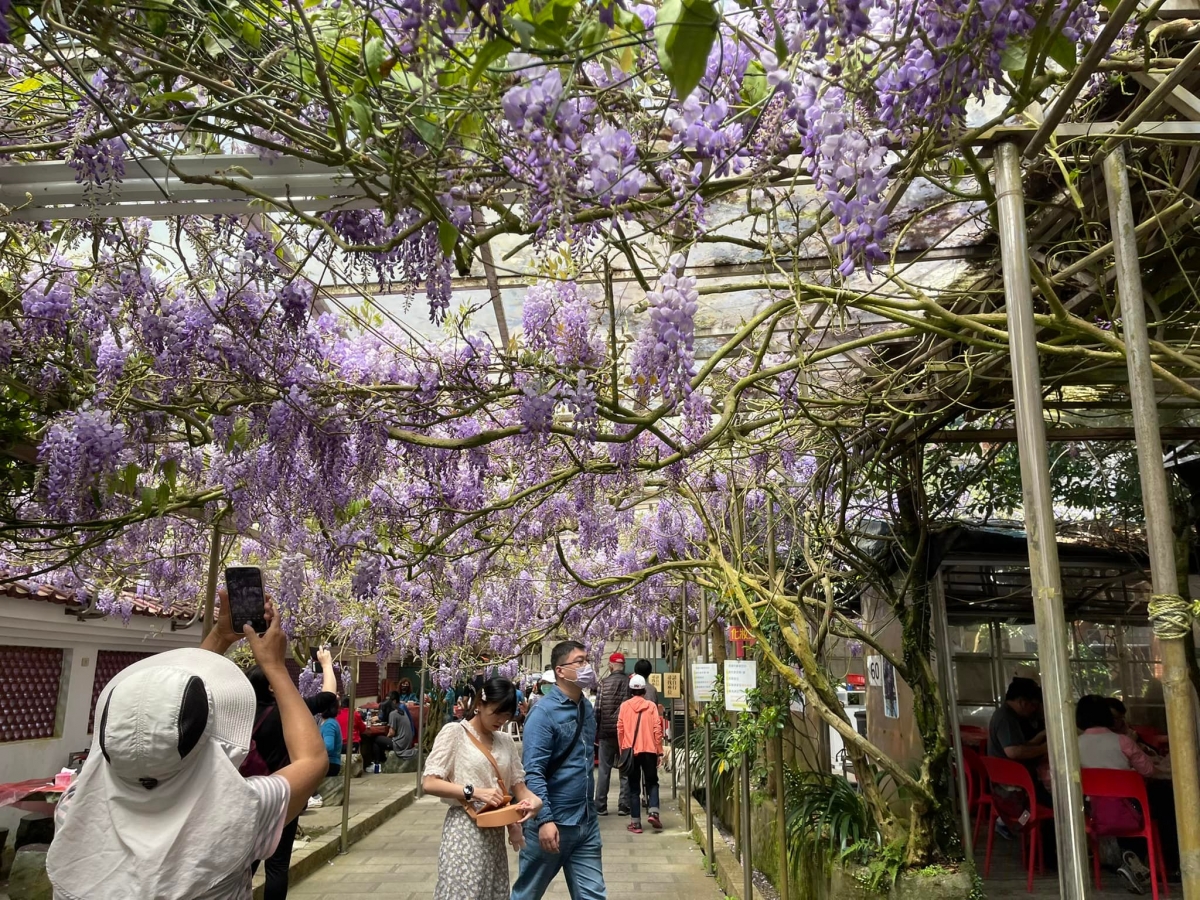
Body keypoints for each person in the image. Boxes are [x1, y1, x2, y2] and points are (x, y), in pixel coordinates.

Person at [46, 591, 327, 900]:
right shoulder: (238, 811)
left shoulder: (73, 809)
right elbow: (312, 760)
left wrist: (219, 636)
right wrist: (274, 666)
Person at [422, 677, 543, 899]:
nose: (502, 720)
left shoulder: (505, 741)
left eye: (507, 715)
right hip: (464, 829)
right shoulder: (455, 732)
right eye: (497, 713)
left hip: (494, 830)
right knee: (462, 892)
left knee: (493, 892)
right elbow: (429, 782)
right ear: (479, 704)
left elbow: (518, 788)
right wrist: (474, 792)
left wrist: (535, 802)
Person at [511, 640, 607, 900]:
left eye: (587, 660)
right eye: (580, 661)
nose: (587, 667)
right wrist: (544, 820)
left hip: (585, 822)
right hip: (553, 822)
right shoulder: (543, 712)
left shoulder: (586, 708)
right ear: (560, 671)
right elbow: (533, 771)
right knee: (527, 895)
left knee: (593, 895)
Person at [246, 645, 336, 899]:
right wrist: (326, 664)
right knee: (277, 865)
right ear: (272, 686)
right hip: (282, 794)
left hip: (247, 793)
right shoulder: (288, 713)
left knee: (245, 861)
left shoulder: (240, 715)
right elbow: (328, 696)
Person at [1076, 694, 1177, 891]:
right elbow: (1148, 770)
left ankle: (1132, 861)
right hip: (1128, 810)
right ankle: (1167, 864)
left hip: (1093, 812)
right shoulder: (1123, 741)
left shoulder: (1075, 745)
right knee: (1164, 799)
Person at [617, 674, 663, 834]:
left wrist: (623, 750)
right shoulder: (651, 706)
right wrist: (659, 751)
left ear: (630, 690)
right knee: (652, 782)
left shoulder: (624, 706)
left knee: (633, 787)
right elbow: (657, 729)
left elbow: (620, 729)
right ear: (644, 690)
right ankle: (654, 812)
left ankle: (636, 823)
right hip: (650, 750)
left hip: (631, 751)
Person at [594, 651, 630, 816]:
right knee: (625, 770)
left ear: (610, 665)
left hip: (606, 733)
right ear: (623, 666)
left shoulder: (603, 683)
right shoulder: (629, 683)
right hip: (625, 733)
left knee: (604, 770)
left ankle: (601, 805)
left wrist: (596, 730)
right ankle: (624, 805)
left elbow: (597, 710)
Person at [316, 692, 343, 776]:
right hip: (328, 762)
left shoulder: (329, 724)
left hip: (330, 763)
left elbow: (328, 747)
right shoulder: (325, 722)